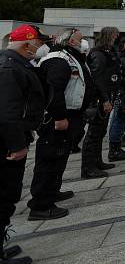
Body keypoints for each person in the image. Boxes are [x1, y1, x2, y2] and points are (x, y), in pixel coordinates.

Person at [28, 28, 93, 220]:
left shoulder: (70, 56)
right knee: (49, 158)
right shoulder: (58, 59)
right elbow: (54, 91)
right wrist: (59, 117)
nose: (84, 43)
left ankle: (52, 192)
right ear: (71, 41)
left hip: (70, 116)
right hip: (58, 119)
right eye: (81, 39)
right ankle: (40, 204)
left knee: (59, 157)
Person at [0, 25, 47, 264]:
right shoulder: (9, 67)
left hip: (12, 139)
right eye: (37, 43)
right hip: (7, 144)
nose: (39, 47)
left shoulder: (15, 63)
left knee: (7, 195)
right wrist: (17, 144)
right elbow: (7, 112)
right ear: (26, 44)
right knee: (3, 194)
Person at [82, 27, 119, 178]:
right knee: (93, 133)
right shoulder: (98, 54)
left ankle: (97, 161)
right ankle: (88, 167)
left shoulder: (108, 52)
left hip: (109, 94)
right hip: (99, 99)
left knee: (100, 131)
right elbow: (97, 78)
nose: (117, 37)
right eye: (115, 35)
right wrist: (104, 99)